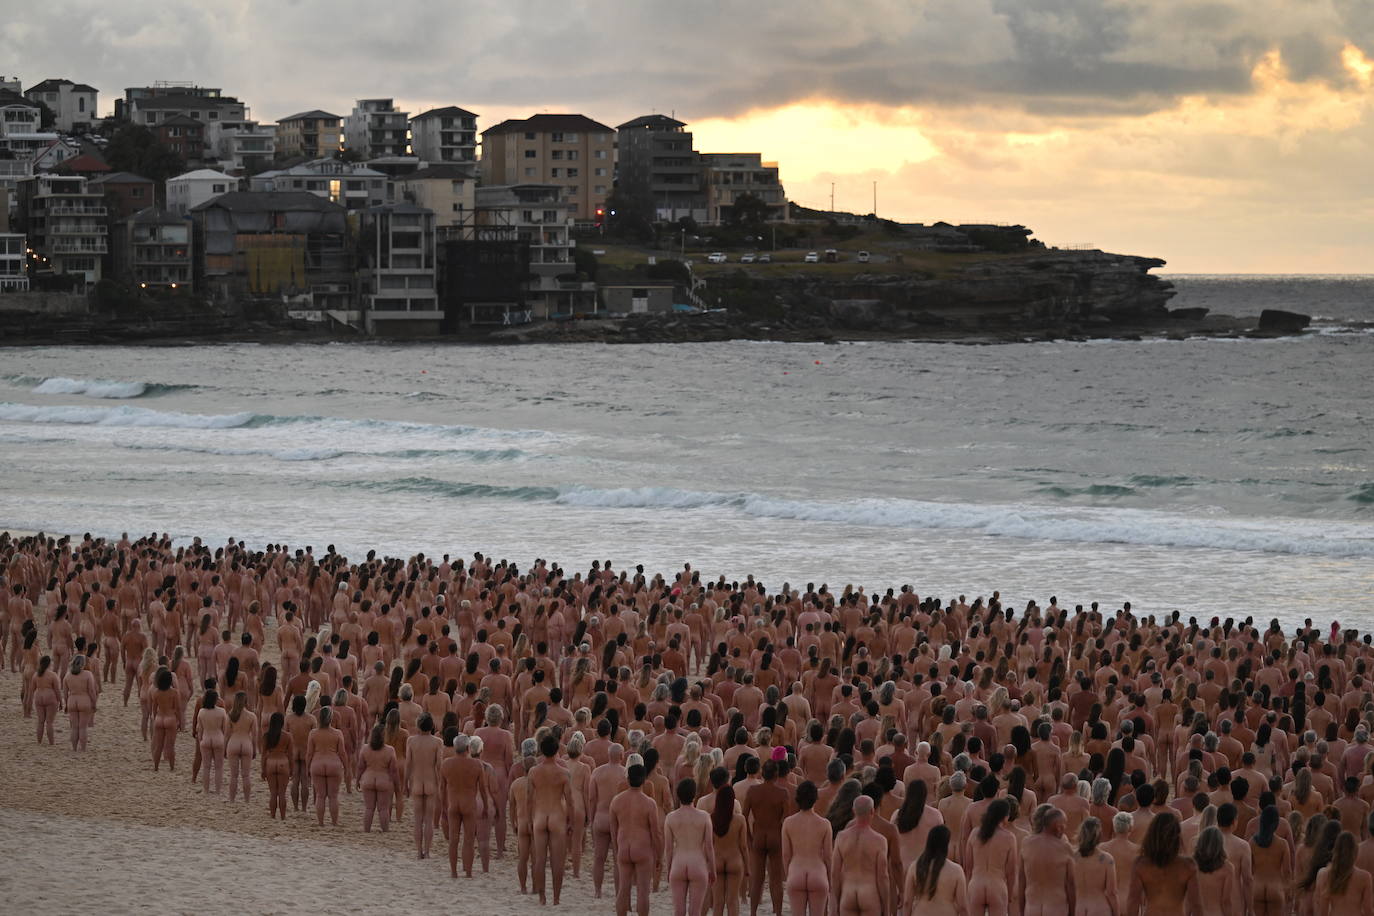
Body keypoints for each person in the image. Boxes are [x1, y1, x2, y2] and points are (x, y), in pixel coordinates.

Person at [610, 763, 663, 916]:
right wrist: (659, 855)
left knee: (623, 889)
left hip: (624, 848)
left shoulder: (616, 801)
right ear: (644, 780)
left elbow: (614, 830)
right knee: (643, 891)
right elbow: (656, 833)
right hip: (642, 849)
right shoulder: (649, 803)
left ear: (627, 779)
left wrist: (616, 849)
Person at [1126, 811, 1204, 915]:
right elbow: (1196, 905)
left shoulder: (1141, 865)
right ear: (1176, 836)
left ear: (1152, 834)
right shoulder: (1187, 866)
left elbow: (1133, 901)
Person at [529, 734, 575, 905]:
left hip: (540, 816)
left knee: (539, 860)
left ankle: (542, 897)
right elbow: (569, 800)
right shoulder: (564, 773)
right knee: (557, 861)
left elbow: (529, 798)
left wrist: (528, 819)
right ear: (557, 750)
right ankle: (556, 898)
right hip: (557, 816)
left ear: (541, 750)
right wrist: (571, 821)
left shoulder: (534, 771)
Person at [741, 757, 790, 916]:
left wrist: (748, 836)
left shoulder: (753, 791)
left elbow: (744, 816)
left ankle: (753, 912)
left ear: (762, 773)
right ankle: (778, 912)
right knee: (776, 880)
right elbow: (787, 818)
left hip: (758, 836)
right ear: (776, 775)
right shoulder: (782, 793)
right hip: (775, 835)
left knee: (757, 879)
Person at [831, 795, 891, 916]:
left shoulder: (841, 837)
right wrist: (886, 906)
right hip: (870, 894)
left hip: (848, 893)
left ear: (854, 811)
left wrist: (835, 902)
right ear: (872, 811)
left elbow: (835, 873)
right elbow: (883, 876)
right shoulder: (879, 841)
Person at [440, 732, 489, 878]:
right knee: (468, 839)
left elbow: (441, 789)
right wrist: (486, 807)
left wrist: (443, 807)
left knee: (453, 839)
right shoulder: (476, 764)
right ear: (468, 747)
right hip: (469, 804)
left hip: (453, 804)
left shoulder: (446, 764)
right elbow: (483, 789)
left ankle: (454, 872)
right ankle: (468, 872)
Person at [781, 780, 832, 916]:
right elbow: (828, 856)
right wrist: (830, 879)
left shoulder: (788, 823)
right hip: (818, 873)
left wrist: (789, 874)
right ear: (815, 798)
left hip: (796, 871)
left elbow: (786, 855)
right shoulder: (825, 824)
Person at [666, 777, 716, 916]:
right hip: (697, 863)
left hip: (679, 863)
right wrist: (712, 869)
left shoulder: (671, 817)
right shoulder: (704, 817)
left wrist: (669, 868)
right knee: (695, 911)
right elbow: (709, 846)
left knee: (679, 911)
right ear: (694, 794)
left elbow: (669, 848)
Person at [1020, 804, 1075, 916]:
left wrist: (1021, 911)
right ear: (1057, 825)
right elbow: (1071, 884)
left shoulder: (1026, 844)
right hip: (1056, 908)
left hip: (1032, 908)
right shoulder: (1064, 848)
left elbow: (1022, 881)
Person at [903, 825, 968, 916]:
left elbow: (907, 902)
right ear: (946, 844)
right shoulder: (956, 870)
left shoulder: (915, 867)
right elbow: (962, 907)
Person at [967, 798, 1017, 916]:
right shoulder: (1009, 838)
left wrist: (968, 888)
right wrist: (1009, 894)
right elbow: (1011, 871)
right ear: (1005, 816)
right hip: (997, 886)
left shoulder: (975, 833)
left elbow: (968, 867)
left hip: (976, 885)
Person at [405, 712, 443, 858]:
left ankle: (418, 851)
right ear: (432, 726)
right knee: (428, 820)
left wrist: (405, 784)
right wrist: (441, 783)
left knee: (417, 820)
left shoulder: (411, 741)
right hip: (431, 781)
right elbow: (439, 765)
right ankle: (427, 852)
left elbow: (408, 764)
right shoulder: (437, 742)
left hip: (416, 782)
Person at [711, 783, 750, 916]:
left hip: (717, 860)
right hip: (734, 860)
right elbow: (744, 846)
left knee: (718, 902)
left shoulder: (712, 819)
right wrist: (748, 867)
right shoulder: (740, 820)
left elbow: (709, 844)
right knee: (733, 901)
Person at [1314, 831, 1374, 916]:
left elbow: (1323, 912)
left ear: (1336, 851)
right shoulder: (1365, 877)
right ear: (1355, 852)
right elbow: (1368, 912)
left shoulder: (1326, 875)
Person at [306, 705, 346, 826]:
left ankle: (321, 822)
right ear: (331, 719)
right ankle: (334, 822)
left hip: (317, 764)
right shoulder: (338, 733)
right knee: (333, 796)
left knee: (320, 795)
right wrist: (347, 767)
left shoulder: (313, 733)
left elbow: (309, 753)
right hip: (333, 764)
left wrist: (307, 768)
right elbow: (342, 753)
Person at [1248, 805, 1291, 916]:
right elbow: (1287, 871)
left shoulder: (1252, 842)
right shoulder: (1282, 844)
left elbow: (1249, 869)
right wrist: (1289, 894)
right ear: (1276, 823)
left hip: (1257, 887)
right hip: (1275, 888)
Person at [358, 723, 399, 832]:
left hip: (368, 779)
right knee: (383, 809)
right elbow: (393, 770)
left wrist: (357, 780)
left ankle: (367, 830)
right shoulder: (390, 750)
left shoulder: (365, 748)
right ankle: (385, 830)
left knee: (369, 808)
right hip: (383, 780)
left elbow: (360, 767)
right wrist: (396, 784)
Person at [1193, 826, 1240, 916]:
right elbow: (1226, 901)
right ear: (1220, 845)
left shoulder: (1193, 866)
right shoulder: (1227, 868)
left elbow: (1189, 900)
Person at [224, 690, 258, 802]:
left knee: (234, 776)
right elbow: (254, 735)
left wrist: (224, 748)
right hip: (246, 743)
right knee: (246, 775)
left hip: (233, 743)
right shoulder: (252, 716)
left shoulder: (230, 715)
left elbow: (227, 734)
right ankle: (247, 800)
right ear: (246, 702)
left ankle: (232, 800)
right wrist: (254, 749)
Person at [260, 712, 293, 820]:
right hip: (283, 762)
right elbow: (290, 755)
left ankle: (273, 816)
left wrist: (263, 769)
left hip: (270, 762)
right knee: (282, 793)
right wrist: (292, 769)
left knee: (273, 793)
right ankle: (283, 817)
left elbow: (264, 754)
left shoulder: (266, 736)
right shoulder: (287, 736)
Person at [62, 654, 98, 751]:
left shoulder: (67, 675)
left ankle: (74, 749)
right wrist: (94, 703)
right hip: (84, 700)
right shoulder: (87, 674)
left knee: (74, 727)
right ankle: (83, 749)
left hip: (72, 701)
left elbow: (65, 693)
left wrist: (66, 704)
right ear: (83, 664)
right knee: (82, 727)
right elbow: (91, 691)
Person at [196, 688, 228, 794]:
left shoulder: (201, 712)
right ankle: (218, 790)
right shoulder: (221, 711)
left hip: (206, 738)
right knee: (219, 767)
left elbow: (200, 729)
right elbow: (224, 729)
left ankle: (206, 790)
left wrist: (200, 740)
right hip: (218, 738)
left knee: (206, 767)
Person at [31, 654, 60, 745]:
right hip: (50, 698)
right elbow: (57, 690)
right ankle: (51, 742)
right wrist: (61, 701)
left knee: (40, 721)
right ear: (49, 664)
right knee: (49, 722)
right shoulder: (52, 675)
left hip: (39, 698)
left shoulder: (36, 675)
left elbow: (32, 689)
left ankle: (39, 742)